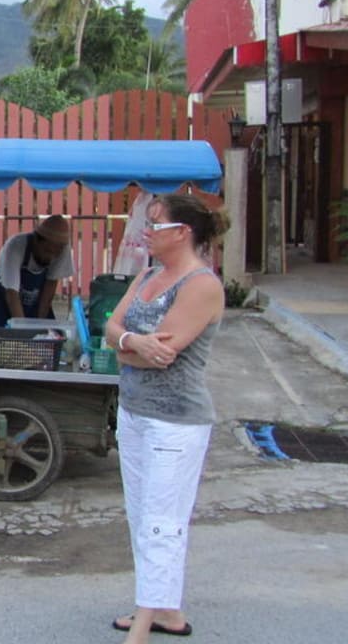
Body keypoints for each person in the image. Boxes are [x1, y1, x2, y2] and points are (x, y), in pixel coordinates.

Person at [103, 193, 228, 643]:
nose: (146, 232)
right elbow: (110, 331)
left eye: (155, 224)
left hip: (175, 422)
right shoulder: (149, 275)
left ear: (184, 232)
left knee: (161, 520)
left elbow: (164, 356)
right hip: (135, 413)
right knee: (142, 515)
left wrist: (127, 348)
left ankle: (142, 624)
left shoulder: (201, 285)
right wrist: (133, 344)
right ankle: (168, 612)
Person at [0, 214, 75, 326]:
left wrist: (39, 326)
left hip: (34, 306)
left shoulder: (63, 250)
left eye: (55, 254)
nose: (50, 257)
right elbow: (11, 295)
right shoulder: (14, 247)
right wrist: (24, 331)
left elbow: (49, 289)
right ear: (36, 240)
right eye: (47, 251)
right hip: (3, 303)